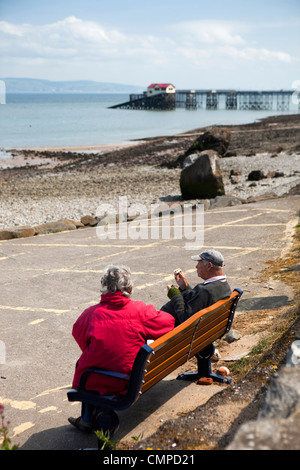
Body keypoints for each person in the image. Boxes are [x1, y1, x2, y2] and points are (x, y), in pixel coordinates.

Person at [68, 264, 175, 434]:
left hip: (95, 380)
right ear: (129, 288)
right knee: (97, 363)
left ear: (104, 287)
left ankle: (88, 418)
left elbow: (80, 337)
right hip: (130, 379)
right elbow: (168, 323)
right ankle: (95, 415)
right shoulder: (140, 310)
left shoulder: (90, 313)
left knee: (86, 364)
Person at [161, 249, 231, 326]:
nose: (196, 266)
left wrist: (175, 295)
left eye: (199, 263)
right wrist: (185, 288)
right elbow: (198, 302)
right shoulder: (225, 286)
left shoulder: (205, 290)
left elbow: (185, 319)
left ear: (209, 266)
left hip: (168, 328)